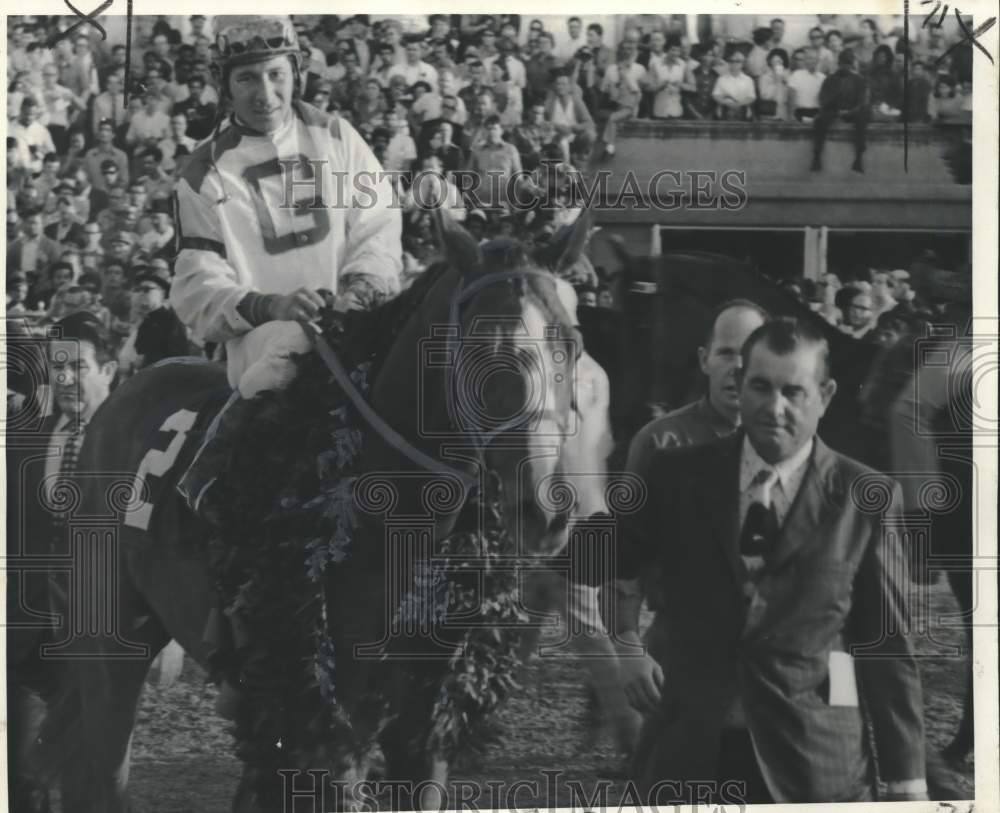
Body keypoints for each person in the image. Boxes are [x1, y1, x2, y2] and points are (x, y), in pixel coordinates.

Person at [600, 318, 927, 804]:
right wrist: (624, 641)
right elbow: (610, 560)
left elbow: (886, 646)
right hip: (688, 754)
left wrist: (906, 779)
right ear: (739, 384)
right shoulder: (676, 476)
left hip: (812, 763)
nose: (774, 408)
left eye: (794, 392)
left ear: (826, 394)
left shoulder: (867, 498)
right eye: (760, 386)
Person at [172, 15, 402, 523]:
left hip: (351, 319)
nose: (265, 93)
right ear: (224, 85)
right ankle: (216, 478)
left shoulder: (338, 137)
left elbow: (378, 226)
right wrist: (270, 305)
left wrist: (360, 287)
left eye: (276, 74)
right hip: (261, 340)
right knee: (294, 342)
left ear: (296, 70)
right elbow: (196, 283)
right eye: (247, 78)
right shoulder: (202, 172)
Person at [6, 311, 119, 813]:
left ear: (110, 370)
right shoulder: (27, 436)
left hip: (98, 641)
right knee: (21, 776)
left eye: (78, 367)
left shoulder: (134, 445)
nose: (66, 379)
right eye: (58, 368)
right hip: (26, 634)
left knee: (90, 780)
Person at [626, 300, 769, 475]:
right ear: (704, 361)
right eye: (726, 353)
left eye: (748, 355)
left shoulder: (777, 442)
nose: (737, 367)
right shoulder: (659, 442)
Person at [811, 49, 869, 173]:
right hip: (833, 110)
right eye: (844, 63)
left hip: (852, 111)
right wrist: (835, 109)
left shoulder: (859, 80)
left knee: (862, 118)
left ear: (852, 64)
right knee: (820, 120)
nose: (846, 66)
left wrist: (851, 111)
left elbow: (862, 101)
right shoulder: (830, 79)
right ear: (839, 63)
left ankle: (859, 157)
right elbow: (823, 99)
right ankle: (817, 155)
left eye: (848, 63)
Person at [712, 49, 756, 121]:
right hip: (724, 112)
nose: (735, 63)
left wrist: (739, 104)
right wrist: (727, 103)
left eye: (738, 61)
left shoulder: (749, 80)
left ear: (743, 63)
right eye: (732, 61)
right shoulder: (721, 79)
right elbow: (715, 95)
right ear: (729, 63)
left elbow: (751, 97)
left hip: (743, 112)